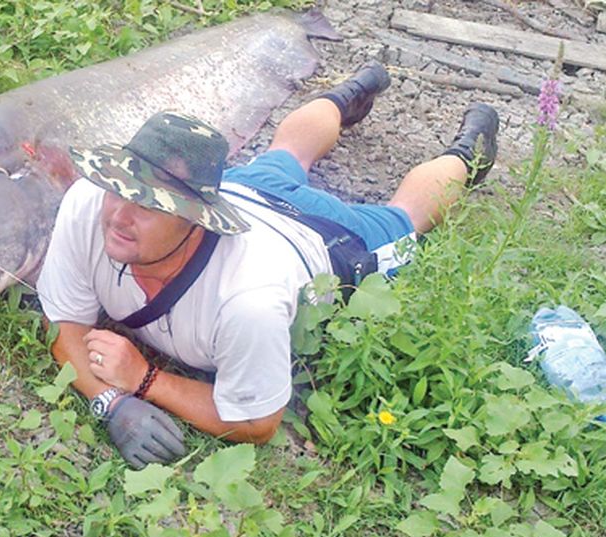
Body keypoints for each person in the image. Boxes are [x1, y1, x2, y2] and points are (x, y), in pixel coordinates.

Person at [34, 62, 499, 468]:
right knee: (282, 156)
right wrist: (110, 403)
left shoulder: (247, 299)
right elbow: (64, 322)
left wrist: (145, 379)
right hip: (244, 193)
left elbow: (257, 421)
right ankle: (346, 94)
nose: (119, 215)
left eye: (149, 205)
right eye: (120, 187)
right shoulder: (88, 204)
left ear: (196, 220)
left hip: (316, 236)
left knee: (405, 219)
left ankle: (467, 154)